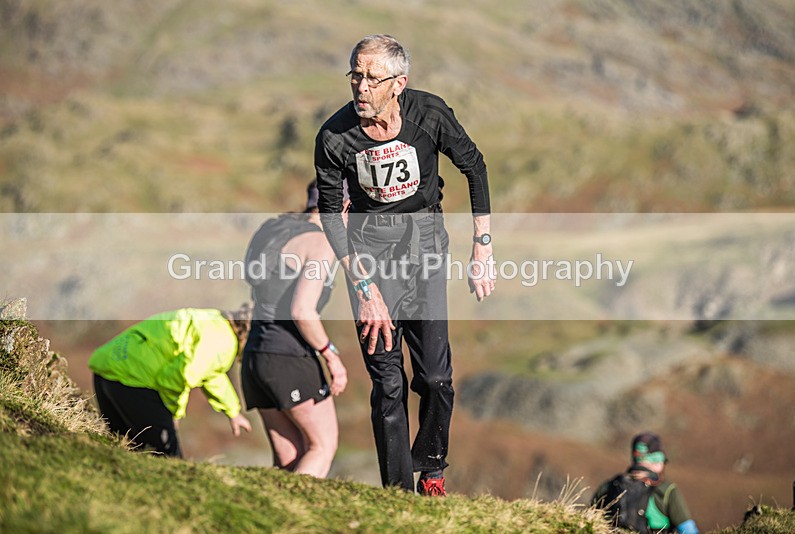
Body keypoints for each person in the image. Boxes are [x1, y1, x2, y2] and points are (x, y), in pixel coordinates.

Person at [315, 34, 495, 495]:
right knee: (388, 381)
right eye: (355, 75)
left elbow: (474, 167)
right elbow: (331, 217)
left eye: (372, 78)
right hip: (368, 259)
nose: (361, 86)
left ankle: (432, 467)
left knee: (435, 377)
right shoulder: (334, 137)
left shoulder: (429, 113)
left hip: (426, 251)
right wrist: (364, 290)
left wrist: (482, 249)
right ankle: (397, 494)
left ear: (399, 83)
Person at [239, 181, 349, 479]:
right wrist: (331, 356)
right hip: (289, 356)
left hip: (255, 356)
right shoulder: (321, 243)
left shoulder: (271, 230)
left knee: (289, 460)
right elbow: (302, 311)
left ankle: (271, 507)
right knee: (322, 447)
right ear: (345, 207)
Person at [89, 306, 253, 457]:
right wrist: (174, 414)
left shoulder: (214, 321)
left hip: (107, 367)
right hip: (133, 380)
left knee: (123, 450)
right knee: (169, 460)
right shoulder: (224, 342)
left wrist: (233, 411)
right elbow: (178, 376)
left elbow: (210, 372)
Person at [592, 432, 700, 534]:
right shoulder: (667, 490)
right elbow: (688, 530)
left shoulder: (610, 486)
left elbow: (590, 520)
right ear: (657, 462)